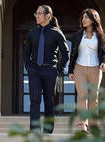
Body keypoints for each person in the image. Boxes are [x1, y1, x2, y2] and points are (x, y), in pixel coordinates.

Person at [23, 5, 69, 134]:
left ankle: (48, 131)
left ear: (47, 16)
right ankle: (35, 131)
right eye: (36, 13)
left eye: (39, 13)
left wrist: (59, 69)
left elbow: (65, 53)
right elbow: (26, 53)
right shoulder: (32, 33)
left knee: (49, 101)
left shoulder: (56, 32)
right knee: (35, 100)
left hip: (50, 71)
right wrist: (29, 67)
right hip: (35, 71)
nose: (36, 16)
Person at [66, 8, 105, 133]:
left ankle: (93, 125)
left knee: (93, 97)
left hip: (96, 68)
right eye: (83, 17)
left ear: (93, 19)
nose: (83, 20)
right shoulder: (78, 35)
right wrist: (70, 70)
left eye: (86, 17)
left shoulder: (102, 36)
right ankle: (82, 124)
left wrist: (104, 63)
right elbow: (72, 53)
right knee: (82, 96)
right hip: (79, 68)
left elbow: (104, 53)